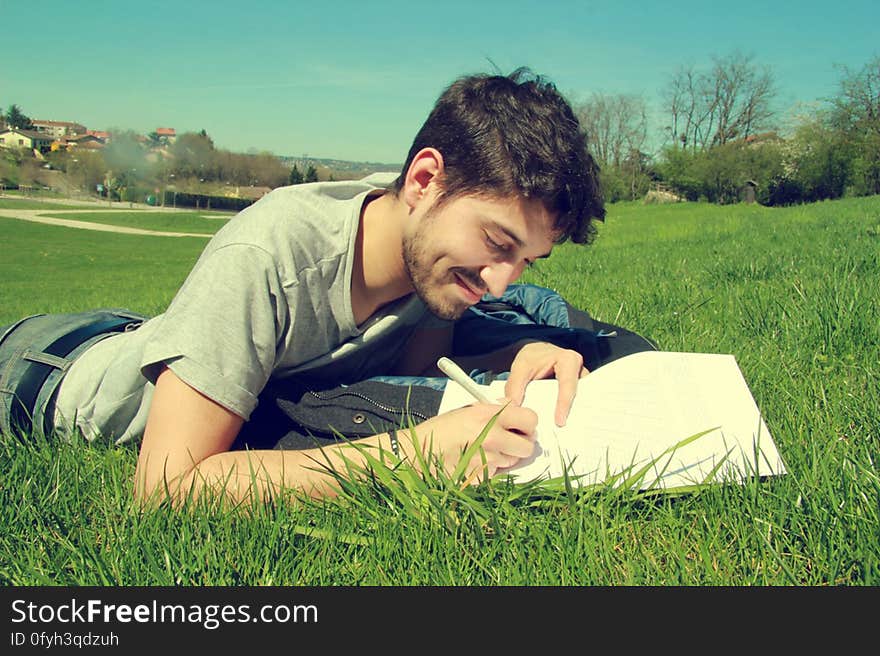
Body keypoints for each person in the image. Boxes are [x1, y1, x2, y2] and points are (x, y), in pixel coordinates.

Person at [0, 68, 605, 504]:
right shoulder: (272, 248)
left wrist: (515, 354)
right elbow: (164, 489)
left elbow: (422, 367)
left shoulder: (430, 248)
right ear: (425, 180)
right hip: (46, 369)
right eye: (498, 244)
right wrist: (416, 455)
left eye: (528, 259)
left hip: (141, 333)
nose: (501, 282)